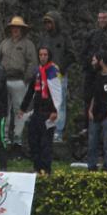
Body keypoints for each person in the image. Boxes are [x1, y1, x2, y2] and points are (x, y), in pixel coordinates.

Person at [19, 47, 64, 175]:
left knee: (46, 143)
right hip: (37, 111)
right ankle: (37, 167)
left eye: (45, 54)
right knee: (33, 140)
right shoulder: (37, 71)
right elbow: (31, 91)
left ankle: (46, 169)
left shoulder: (53, 72)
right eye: (40, 54)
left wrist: (55, 110)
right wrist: (23, 108)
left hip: (49, 112)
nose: (42, 57)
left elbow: (57, 93)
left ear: (49, 56)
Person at [36, 11, 76, 142]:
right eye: (46, 22)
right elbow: (39, 54)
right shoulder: (43, 37)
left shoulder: (64, 37)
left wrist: (62, 68)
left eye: (50, 22)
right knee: (44, 103)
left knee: (60, 104)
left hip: (59, 76)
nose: (47, 25)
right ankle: (47, 129)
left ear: (56, 23)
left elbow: (71, 55)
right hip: (45, 76)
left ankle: (58, 132)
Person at [0, 16, 38, 146]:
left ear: (22, 29)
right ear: (10, 29)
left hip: (19, 80)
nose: (15, 30)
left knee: (20, 110)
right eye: (13, 27)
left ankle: (17, 137)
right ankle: (4, 136)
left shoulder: (28, 44)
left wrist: (26, 79)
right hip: (4, 80)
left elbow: (32, 63)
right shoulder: (4, 43)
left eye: (18, 28)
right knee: (4, 109)